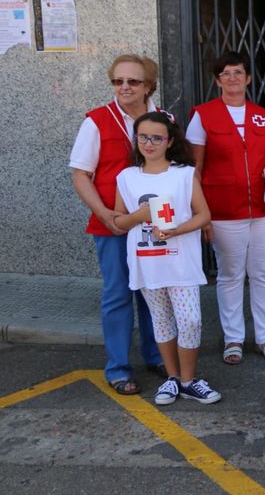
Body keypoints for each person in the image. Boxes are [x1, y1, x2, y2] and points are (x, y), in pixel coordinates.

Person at [69, 54, 164, 395]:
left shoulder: (163, 119)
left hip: (153, 226)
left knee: (153, 292)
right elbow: (81, 175)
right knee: (118, 295)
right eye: (118, 81)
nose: (124, 87)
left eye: (133, 81)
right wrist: (104, 213)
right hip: (112, 226)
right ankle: (119, 368)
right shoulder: (96, 121)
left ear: (148, 86)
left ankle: (157, 355)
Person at [114, 112, 221, 405]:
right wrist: (140, 215)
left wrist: (176, 230)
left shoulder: (184, 174)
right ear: (135, 139)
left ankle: (189, 379)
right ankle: (173, 379)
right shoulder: (126, 178)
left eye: (157, 138)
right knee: (161, 320)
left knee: (190, 320)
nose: (149, 143)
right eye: (143, 137)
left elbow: (204, 215)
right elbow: (118, 222)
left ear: (169, 141)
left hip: (180, 262)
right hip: (147, 263)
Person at [185, 51, 265, 365]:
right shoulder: (203, 115)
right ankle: (233, 339)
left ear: (248, 78)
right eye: (225, 73)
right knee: (230, 275)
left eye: (238, 72)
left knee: (264, 274)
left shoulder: (263, 115)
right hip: (225, 209)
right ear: (217, 80)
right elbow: (194, 168)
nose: (232, 78)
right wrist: (201, 214)